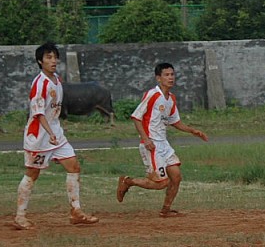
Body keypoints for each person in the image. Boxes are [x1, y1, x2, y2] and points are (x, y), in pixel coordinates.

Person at [14, 42, 99, 229]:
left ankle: (76, 211)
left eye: (55, 57)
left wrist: (56, 131)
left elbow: (53, 110)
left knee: (74, 166)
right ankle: (20, 216)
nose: (53, 61)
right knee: (32, 174)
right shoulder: (39, 83)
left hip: (56, 134)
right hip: (39, 137)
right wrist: (50, 132)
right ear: (40, 61)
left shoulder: (57, 80)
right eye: (49, 57)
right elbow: (38, 113)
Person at [116, 62, 208, 217]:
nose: (170, 78)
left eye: (172, 74)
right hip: (151, 144)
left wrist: (193, 131)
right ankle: (128, 181)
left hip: (164, 144)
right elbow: (136, 117)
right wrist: (146, 139)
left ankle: (166, 210)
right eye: (166, 75)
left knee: (176, 177)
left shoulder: (171, 98)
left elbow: (175, 121)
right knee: (161, 183)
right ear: (158, 78)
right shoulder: (153, 95)